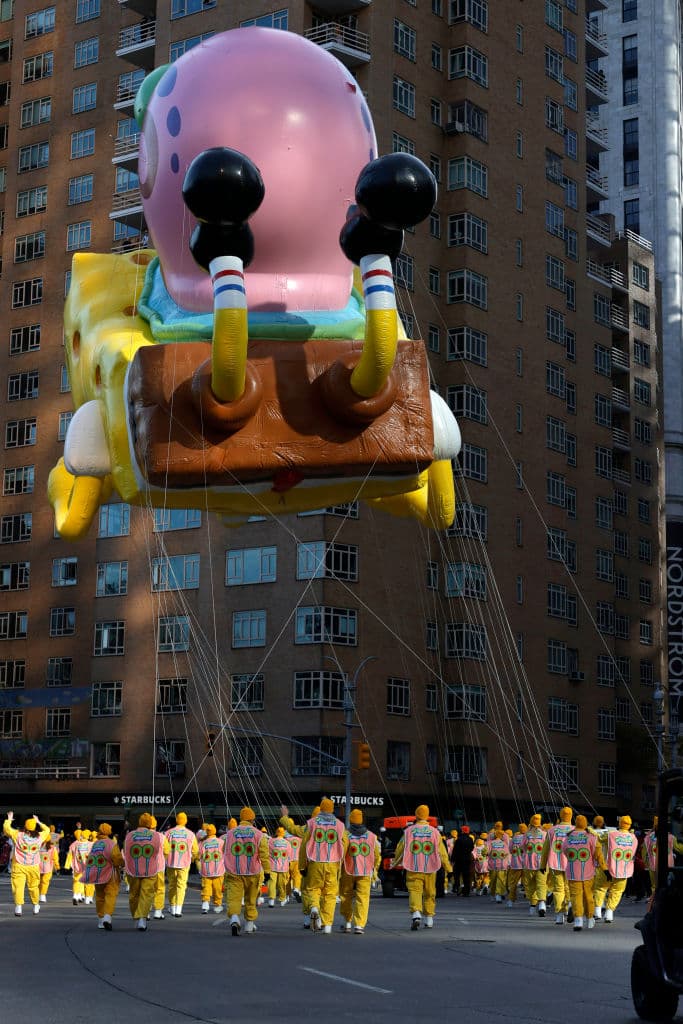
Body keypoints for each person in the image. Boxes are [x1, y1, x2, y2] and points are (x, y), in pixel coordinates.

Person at [391, 804, 450, 930]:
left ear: (416, 815)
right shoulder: (435, 832)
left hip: (413, 866)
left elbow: (400, 848)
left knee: (415, 891)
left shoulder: (408, 831)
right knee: (429, 892)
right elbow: (442, 851)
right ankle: (429, 919)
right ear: (427, 816)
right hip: (431, 867)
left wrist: (395, 863)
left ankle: (416, 913)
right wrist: (448, 867)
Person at [299, 797, 346, 934]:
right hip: (332, 863)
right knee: (330, 894)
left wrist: (302, 865)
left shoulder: (312, 823)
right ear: (332, 810)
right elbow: (344, 844)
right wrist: (341, 865)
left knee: (313, 889)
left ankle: (314, 907)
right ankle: (327, 925)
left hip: (315, 862)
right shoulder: (339, 825)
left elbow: (304, 845)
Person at [224, 807, 271, 935]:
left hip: (234, 871)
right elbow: (264, 855)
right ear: (253, 820)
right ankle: (249, 925)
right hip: (252, 872)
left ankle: (234, 918)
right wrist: (267, 872)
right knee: (251, 898)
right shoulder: (259, 834)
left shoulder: (229, 834)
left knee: (234, 898)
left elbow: (225, 851)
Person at [560, 814, 606, 931]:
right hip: (588, 872)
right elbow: (598, 854)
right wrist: (604, 868)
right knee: (588, 896)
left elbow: (564, 850)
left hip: (572, 872)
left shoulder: (568, 837)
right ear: (585, 824)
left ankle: (578, 920)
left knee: (576, 897)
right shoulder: (591, 837)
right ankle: (590, 918)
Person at [124, 812, 169, 930]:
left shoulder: (130, 835)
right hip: (151, 869)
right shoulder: (158, 836)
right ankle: (142, 918)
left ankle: (136, 916)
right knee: (147, 893)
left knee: (134, 894)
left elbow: (126, 851)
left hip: (133, 869)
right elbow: (160, 851)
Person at [339, 808, 380, 934]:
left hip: (348, 869)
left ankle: (347, 923)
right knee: (363, 898)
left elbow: (341, 853)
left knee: (346, 896)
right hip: (365, 871)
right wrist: (374, 869)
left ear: (350, 820)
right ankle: (359, 925)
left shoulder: (345, 835)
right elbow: (377, 855)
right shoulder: (372, 837)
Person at [3, 811, 51, 916]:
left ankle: (18, 907)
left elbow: (6, 829)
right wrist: (39, 822)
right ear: (34, 827)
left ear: (25, 826)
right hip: (33, 866)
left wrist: (9, 819)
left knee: (18, 887)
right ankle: (35, 905)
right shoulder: (40, 836)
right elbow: (47, 830)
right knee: (33, 886)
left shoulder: (18, 835)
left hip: (19, 865)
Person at [280, 803, 320, 927]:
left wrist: (285, 817)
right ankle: (324, 921)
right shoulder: (336, 828)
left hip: (311, 864)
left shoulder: (308, 828)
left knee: (308, 890)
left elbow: (292, 829)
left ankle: (309, 916)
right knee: (325, 893)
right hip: (329, 865)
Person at [594, 814, 638, 922]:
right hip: (624, 870)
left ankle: (597, 910)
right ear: (629, 825)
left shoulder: (611, 834)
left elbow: (598, 838)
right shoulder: (633, 838)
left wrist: (590, 830)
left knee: (601, 888)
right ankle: (609, 913)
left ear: (620, 823)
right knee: (617, 891)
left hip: (608, 868)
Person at [82, 823, 124, 930]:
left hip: (97, 873)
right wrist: (122, 864)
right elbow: (117, 858)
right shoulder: (111, 843)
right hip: (110, 874)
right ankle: (107, 916)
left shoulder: (96, 844)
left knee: (100, 897)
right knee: (111, 895)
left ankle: (100, 920)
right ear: (109, 832)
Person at [540, 807, 575, 924]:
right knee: (570, 887)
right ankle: (570, 905)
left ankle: (560, 915)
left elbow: (545, 849)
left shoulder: (552, 830)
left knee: (558, 889)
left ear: (560, 816)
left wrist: (543, 864)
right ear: (571, 816)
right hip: (572, 864)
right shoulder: (576, 830)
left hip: (556, 864)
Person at [164, 811, 198, 917]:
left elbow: (164, 848)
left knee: (171, 885)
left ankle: (172, 907)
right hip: (184, 863)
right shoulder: (191, 834)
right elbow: (195, 850)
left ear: (176, 820)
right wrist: (192, 859)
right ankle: (178, 909)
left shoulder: (168, 833)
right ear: (186, 821)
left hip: (170, 863)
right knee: (181, 886)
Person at [522, 814, 547, 917]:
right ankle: (542, 904)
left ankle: (532, 906)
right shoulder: (545, 834)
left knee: (530, 885)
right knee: (541, 884)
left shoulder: (526, 835)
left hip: (529, 863)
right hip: (542, 863)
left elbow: (523, 847)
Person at [197, 823, 225, 914]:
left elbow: (198, 855)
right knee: (218, 889)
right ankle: (218, 905)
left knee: (206, 887)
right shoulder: (221, 842)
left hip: (206, 870)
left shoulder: (203, 843)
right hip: (219, 870)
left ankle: (205, 904)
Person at [643, 816, 674, 894]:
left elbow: (644, 850)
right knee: (665, 884)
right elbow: (679, 847)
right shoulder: (670, 837)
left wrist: (645, 863)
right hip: (667, 865)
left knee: (654, 885)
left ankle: (654, 901)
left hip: (653, 865)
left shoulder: (649, 836)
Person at [65, 828, 93, 905]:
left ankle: (76, 896)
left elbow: (70, 854)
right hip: (88, 866)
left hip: (77, 866)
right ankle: (87, 898)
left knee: (77, 881)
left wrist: (67, 865)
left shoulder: (75, 844)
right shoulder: (91, 844)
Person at [268, 827, 293, 907]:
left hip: (272, 866)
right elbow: (289, 855)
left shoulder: (271, 841)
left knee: (272, 883)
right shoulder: (287, 843)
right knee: (281, 884)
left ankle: (271, 900)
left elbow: (266, 851)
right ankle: (282, 899)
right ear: (283, 834)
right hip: (283, 867)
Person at [486, 823, 510, 904]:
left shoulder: (490, 840)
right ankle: (498, 894)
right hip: (502, 864)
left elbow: (486, 851)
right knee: (501, 880)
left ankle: (494, 894)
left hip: (492, 864)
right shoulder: (505, 841)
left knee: (493, 880)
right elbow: (507, 852)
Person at [38, 825, 62, 903]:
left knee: (38, 881)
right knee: (45, 882)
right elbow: (55, 858)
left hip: (37, 866)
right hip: (47, 867)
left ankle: (37, 894)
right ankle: (42, 895)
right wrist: (57, 866)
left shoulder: (37, 846)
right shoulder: (52, 847)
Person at [506, 824, 527, 907]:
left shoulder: (514, 838)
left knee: (513, 883)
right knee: (527, 883)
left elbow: (510, 850)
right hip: (526, 864)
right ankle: (531, 902)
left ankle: (511, 900)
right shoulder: (528, 837)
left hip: (515, 864)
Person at [451, 825, 474, 896]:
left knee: (457, 875)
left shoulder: (459, 839)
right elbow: (472, 848)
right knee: (467, 876)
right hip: (467, 859)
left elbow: (455, 850)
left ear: (462, 831)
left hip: (459, 860)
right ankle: (466, 891)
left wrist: (452, 859)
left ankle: (458, 888)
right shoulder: (470, 839)